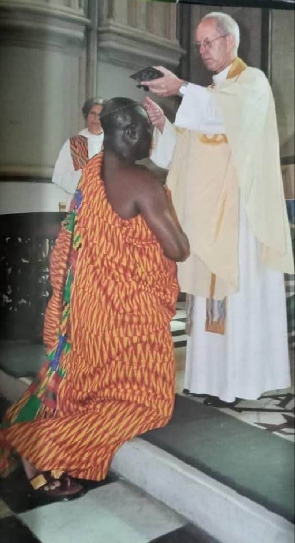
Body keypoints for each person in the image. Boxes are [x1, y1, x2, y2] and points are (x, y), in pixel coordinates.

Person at [0, 98, 189, 500]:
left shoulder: (89, 171)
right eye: (147, 132)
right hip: (127, 315)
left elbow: (75, 235)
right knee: (148, 402)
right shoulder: (144, 183)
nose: (151, 141)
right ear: (132, 132)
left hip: (87, 309)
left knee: (96, 386)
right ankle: (36, 443)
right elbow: (176, 248)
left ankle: (48, 445)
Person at [142, 12, 294, 407]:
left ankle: (242, 381)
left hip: (240, 214)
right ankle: (210, 378)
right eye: (199, 45)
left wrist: (180, 90)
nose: (203, 51)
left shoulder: (252, 83)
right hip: (211, 215)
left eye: (208, 42)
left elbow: (223, 114)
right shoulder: (208, 94)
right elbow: (188, 149)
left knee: (238, 299)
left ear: (230, 41)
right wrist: (164, 125)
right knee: (209, 299)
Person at [52, 97, 105, 208]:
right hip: (81, 203)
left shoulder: (112, 143)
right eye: (92, 113)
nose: (96, 118)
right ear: (86, 116)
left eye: (100, 115)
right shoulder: (78, 143)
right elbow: (58, 175)